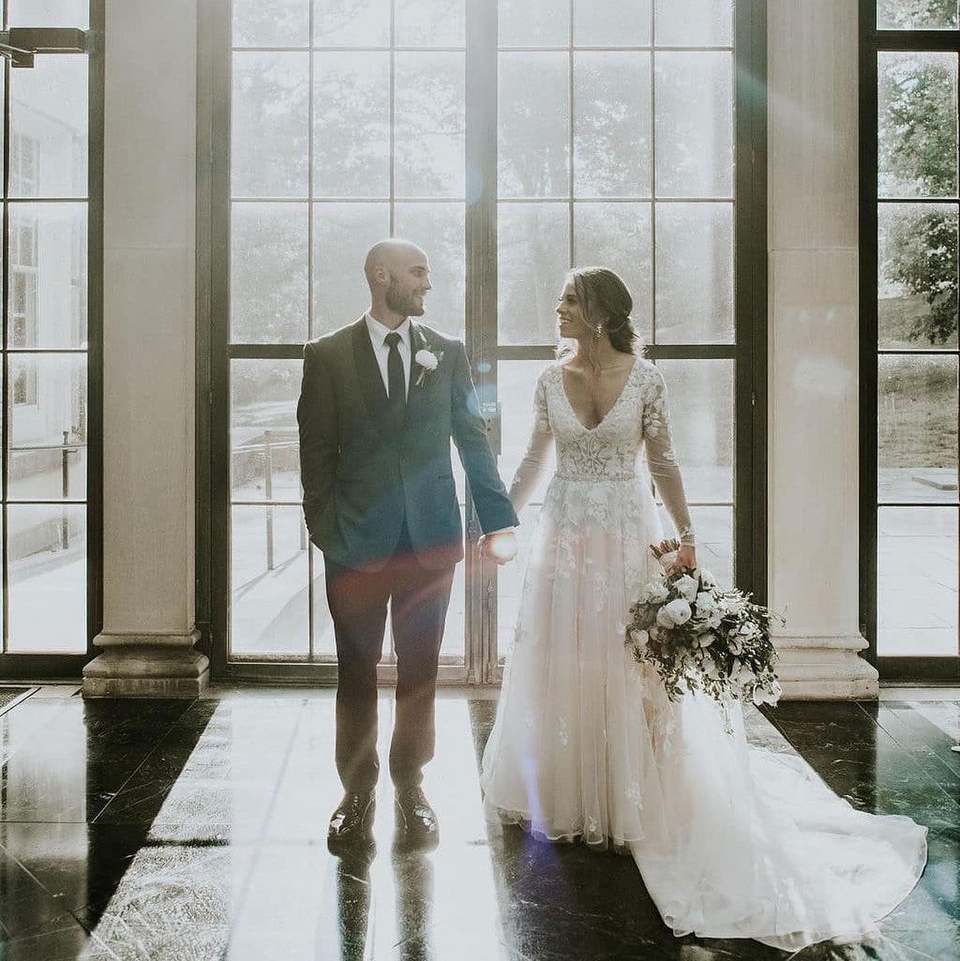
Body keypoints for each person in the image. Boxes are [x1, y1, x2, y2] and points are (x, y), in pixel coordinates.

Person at [481, 266, 926, 951]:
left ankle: (633, 790)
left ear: (600, 312)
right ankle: (573, 792)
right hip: (566, 538)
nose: (558, 309)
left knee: (633, 661)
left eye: (568, 299)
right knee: (562, 657)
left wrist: (686, 540)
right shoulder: (549, 381)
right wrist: (499, 522)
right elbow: (535, 464)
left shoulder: (646, 378)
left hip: (627, 535)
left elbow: (663, 465)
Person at [298, 238, 518, 851]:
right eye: (419, 272)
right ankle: (356, 789)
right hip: (354, 545)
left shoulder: (445, 353)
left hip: (430, 540)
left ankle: (411, 784)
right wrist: (326, 530)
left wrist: (497, 519)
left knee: (420, 671)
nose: (428, 283)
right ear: (381, 275)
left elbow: (473, 440)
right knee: (355, 669)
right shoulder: (327, 356)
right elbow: (314, 454)